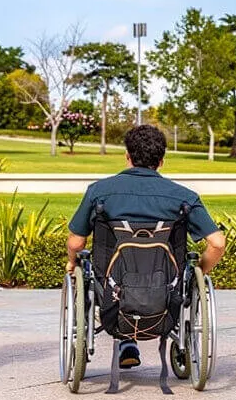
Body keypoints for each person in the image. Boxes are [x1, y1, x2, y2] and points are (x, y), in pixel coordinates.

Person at [66, 125, 226, 369]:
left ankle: (126, 341)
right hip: (167, 296)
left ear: (127, 156)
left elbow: (76, 242)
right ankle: (169, 345)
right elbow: (217, 242)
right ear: (161, 161)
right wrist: (200, 274)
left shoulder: (99, 192)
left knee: (111, 274)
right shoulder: (183, 197)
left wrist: (71, 262)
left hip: (111, 296)